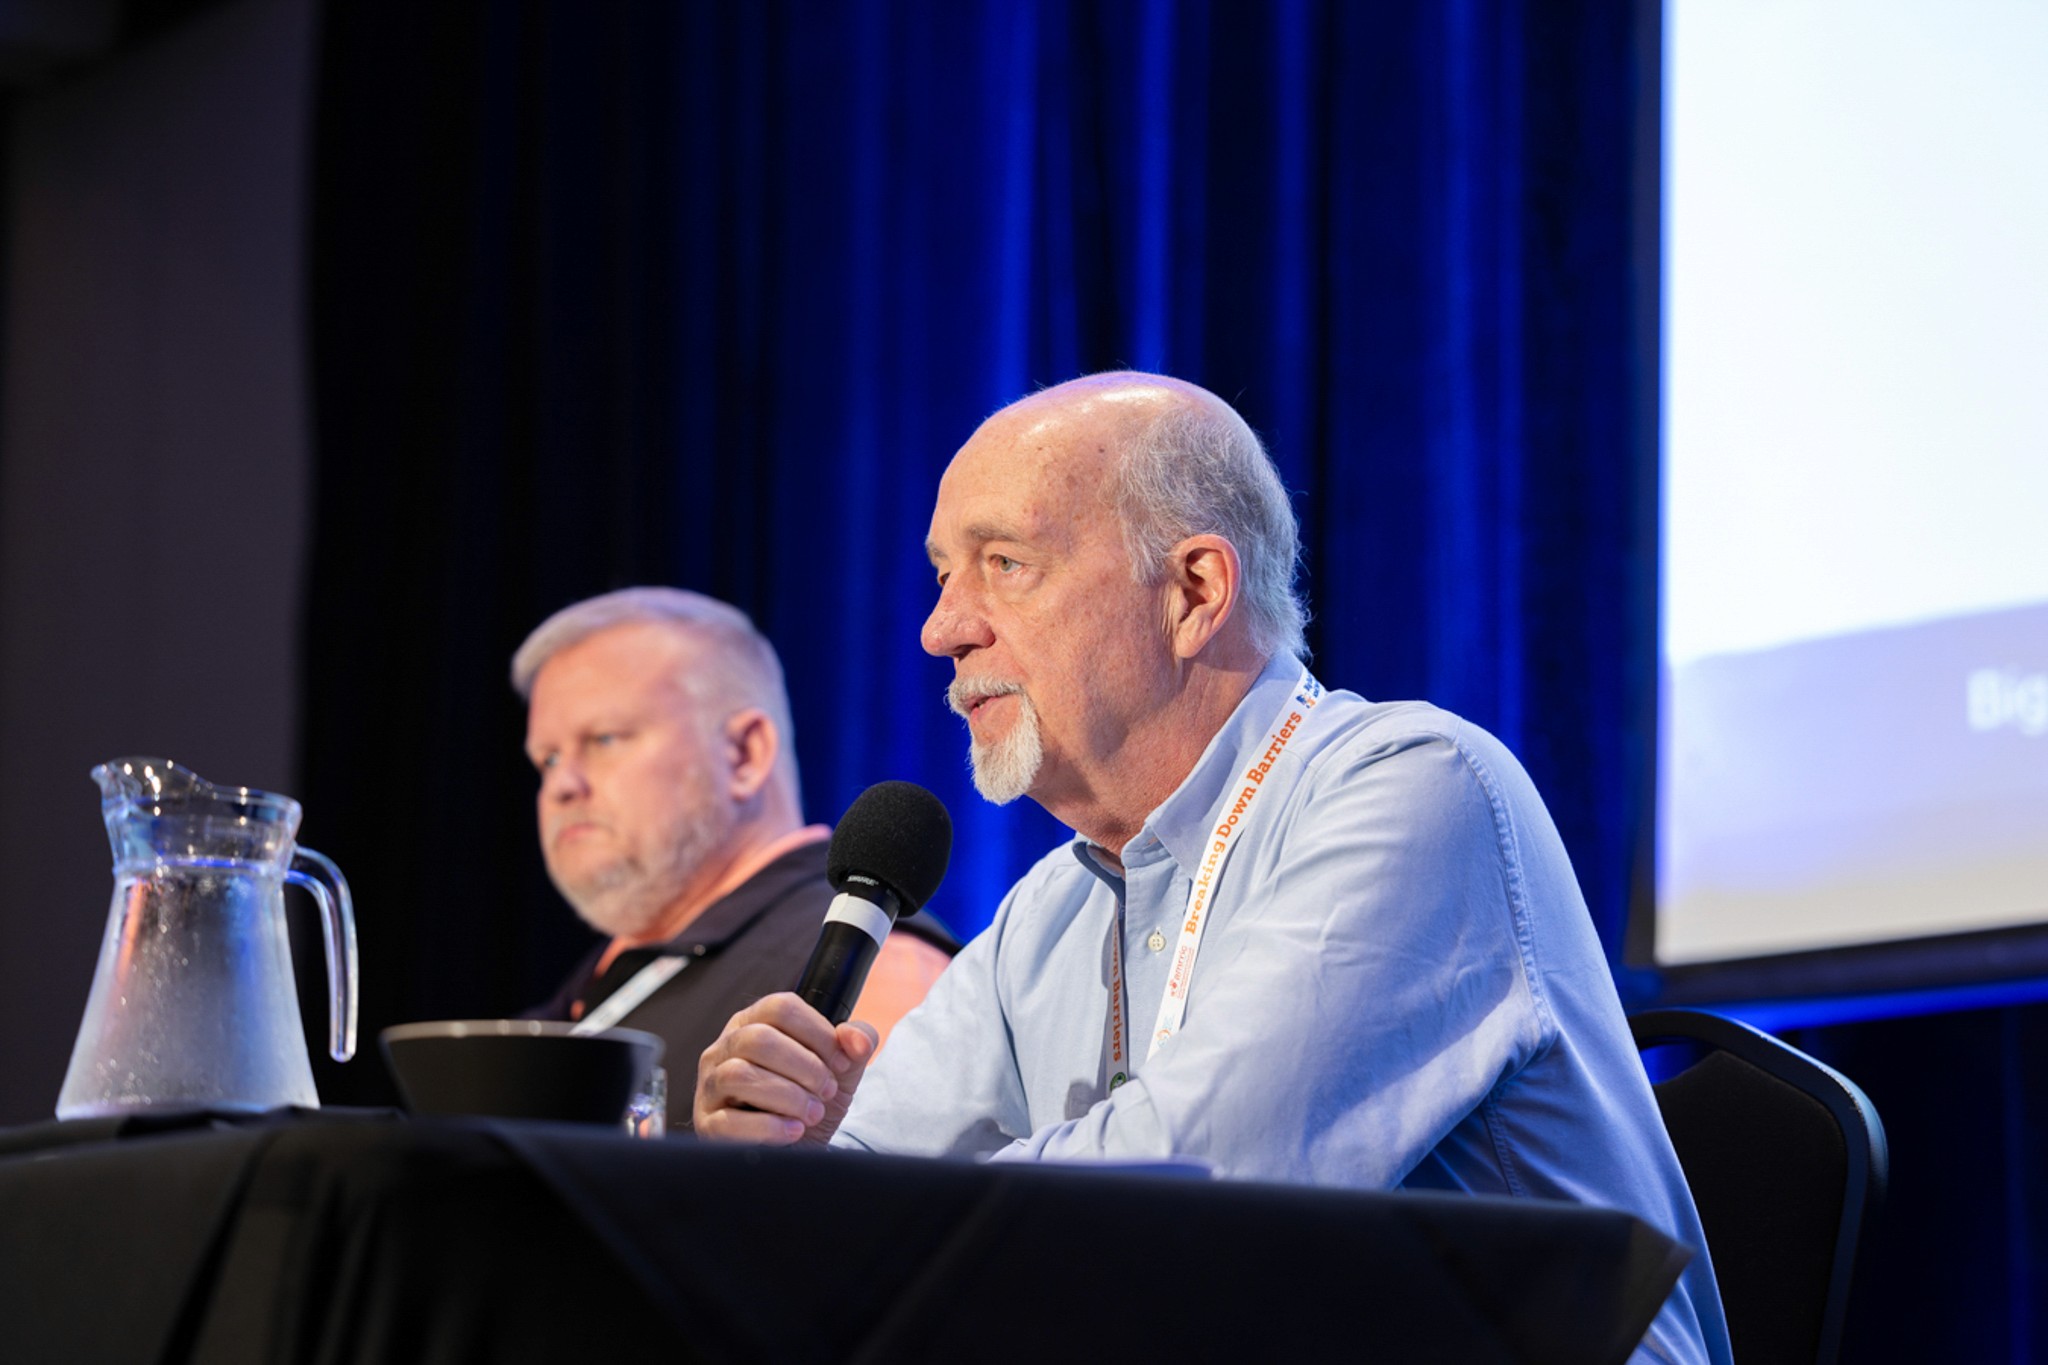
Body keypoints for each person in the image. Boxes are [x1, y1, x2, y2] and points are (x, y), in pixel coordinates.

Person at [693, 374, 1730, 1364]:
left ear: (1193, 591)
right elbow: (868, 1200)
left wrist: (879, 1220)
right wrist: (793, 1163)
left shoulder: (1415, 790)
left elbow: (1192, 1199)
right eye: (940, 576)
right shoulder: (1046, 912)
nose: (940, 629)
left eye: (1003, 564)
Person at [514, 588, 956, 1129]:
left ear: (744, 755)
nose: (561, 783)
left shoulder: (879, 969)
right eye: (548, 758)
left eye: (604, 738)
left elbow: (876, 1204)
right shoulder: (614, 967)